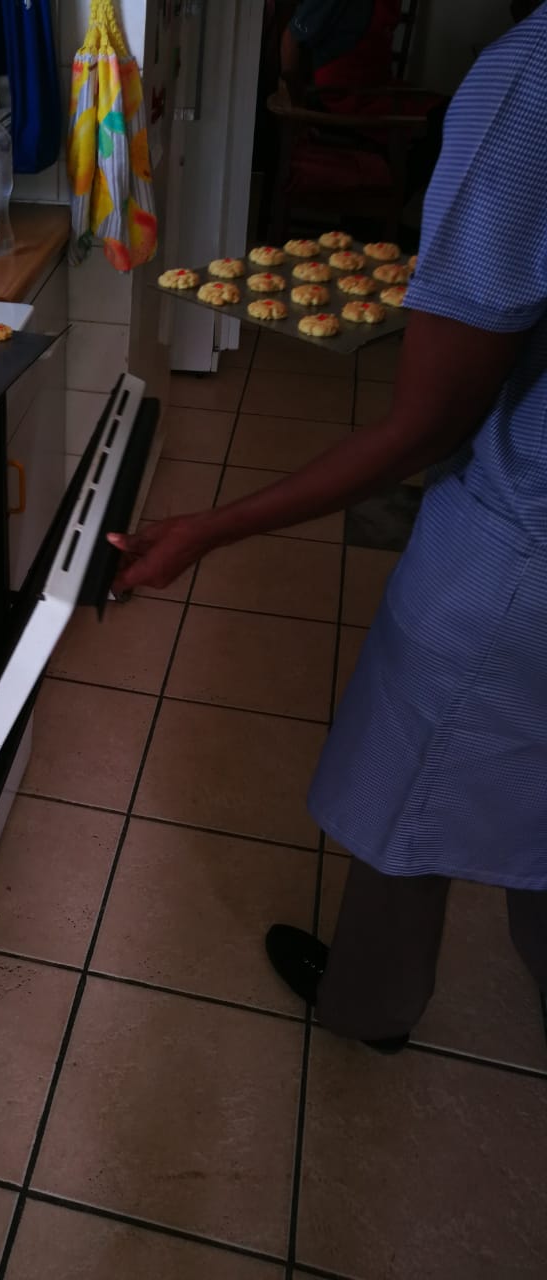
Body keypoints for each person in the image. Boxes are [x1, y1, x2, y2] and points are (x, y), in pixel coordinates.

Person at [109, 4, 547, 1054]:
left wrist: (210, 527)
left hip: (523, 557)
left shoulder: (530, 78)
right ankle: (376, 994)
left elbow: (426, 422)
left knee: (410, 790)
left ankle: (369, 1005)